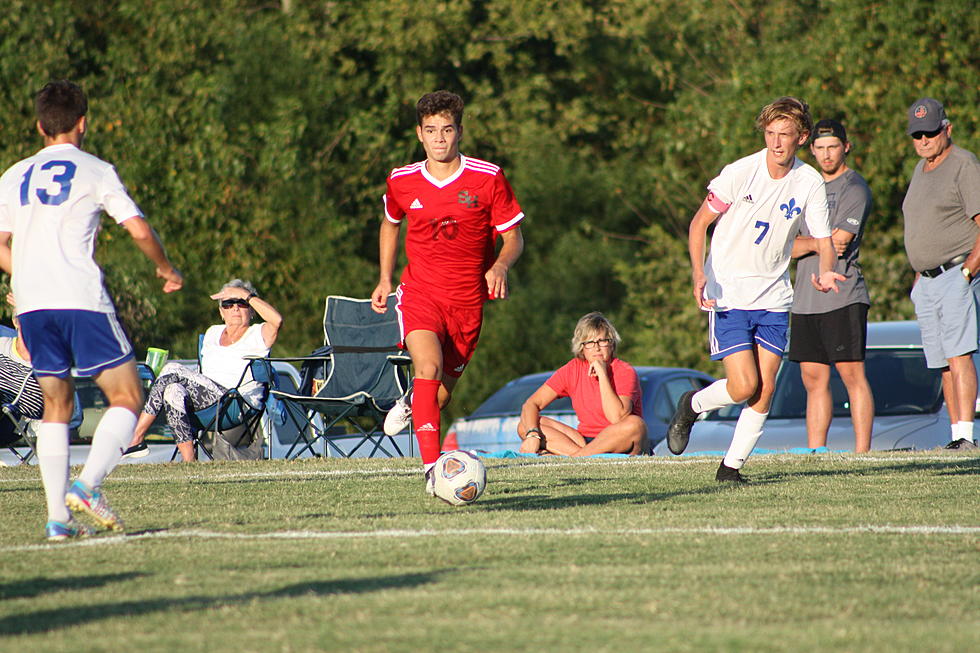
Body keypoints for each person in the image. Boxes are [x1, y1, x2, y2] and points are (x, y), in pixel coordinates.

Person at [0, 80, 183, 541]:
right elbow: (137, 229)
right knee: (128, 397)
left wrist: (24, 273)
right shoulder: (96, 169)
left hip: (34, 305)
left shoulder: (15, 174)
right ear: (83, 123)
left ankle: (57, 520)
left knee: (54, 408)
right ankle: (87, 486)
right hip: (80, 297)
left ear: (40, 125)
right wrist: (166, 268)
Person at [666, 96, 844, 482]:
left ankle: (730, 469)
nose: (776, 143)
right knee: (744, 384)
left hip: (775, 298)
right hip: (728, 292)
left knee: (764, 390)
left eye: (785, 135)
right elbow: (699, 225)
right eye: (770, 134)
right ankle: (692, 405)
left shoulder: (809, 181)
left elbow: (823, 239)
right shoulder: (740, 173)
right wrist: (698, 273)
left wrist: (826, 271)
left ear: (802, 137)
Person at [370, 90, 525, 494]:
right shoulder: (402, 180)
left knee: (437, 397)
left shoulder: (487, 177)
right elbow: (390, 222)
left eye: (447, 130)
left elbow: (513, 238)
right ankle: (431, 470)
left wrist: (500, 265)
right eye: (431, 130)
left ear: (459, 132)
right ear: (420, 135)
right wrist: (386, 278)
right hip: (419, 294)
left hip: (467, 304)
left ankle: (410, 405)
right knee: (428, 369)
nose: (440, 138)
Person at [124, 279, 282, 461]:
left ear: (252, 310)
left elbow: (277, 320)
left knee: (171, 368)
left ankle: (136, 437)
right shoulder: (212, 333)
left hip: (235, 403)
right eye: (229, 304)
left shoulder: (258, 334)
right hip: (207, 403)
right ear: (221, 311)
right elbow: (201, 376)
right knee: (172, 390)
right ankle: (190, 462)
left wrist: (244, 293)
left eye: (242, 303)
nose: (235, 308)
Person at [789, 119, 874, 452]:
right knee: (813, 379)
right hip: (805, 298)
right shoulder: (804, 187)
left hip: (843, 294)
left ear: (846, 147)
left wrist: (807, 241)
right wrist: (816, 242)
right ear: (811, 149)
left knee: (852, 376)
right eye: (820, 148)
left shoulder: (855, 188)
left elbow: (839, 243)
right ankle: (816, 452)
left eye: (833, 147)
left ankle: (862, 452)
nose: (826, 155)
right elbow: (785, 247)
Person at [901, 98, 980, 451]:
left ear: (947, 129)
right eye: (917, 134)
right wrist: (919, 278)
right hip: (928, 281)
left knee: (959, 355)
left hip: (955, 271)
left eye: (930, 132)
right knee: (942, 362)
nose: (924, 140)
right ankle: (954, 436)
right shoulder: (922, 168)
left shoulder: (963, 164)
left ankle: (966, 434)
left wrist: (966, 271)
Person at [517, 312, 647, 456]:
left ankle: (573, 458)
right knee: (526, 424)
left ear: (612, 344)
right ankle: (582, 456)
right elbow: (531, 404)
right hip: (582, 441)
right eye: (590, 343)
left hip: (618, 441)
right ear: (581, 347)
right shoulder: (573, 369)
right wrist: (533, 435)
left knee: (635, 424)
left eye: (603, 341)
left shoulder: (624, 371)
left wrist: (602, 375)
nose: (597, 348)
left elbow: (616, 418)